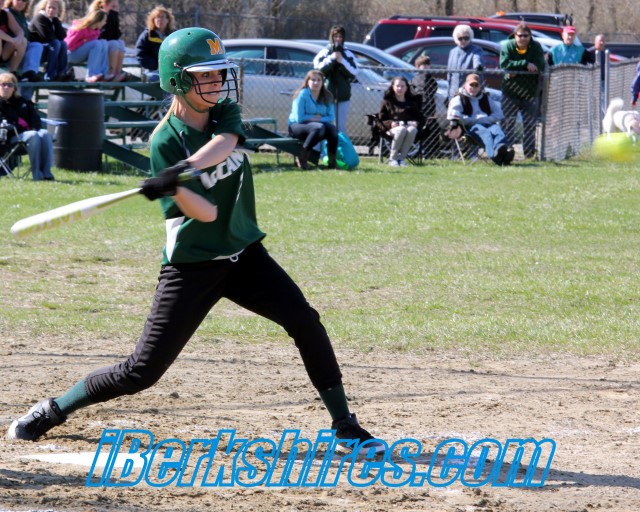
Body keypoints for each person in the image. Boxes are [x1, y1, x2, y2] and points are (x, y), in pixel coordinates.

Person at [7, 27, 385, 456]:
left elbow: (225, 144)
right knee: (141, 372)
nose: (216, 81)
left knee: (305, 321)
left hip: (245, 253)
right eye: (204, 75)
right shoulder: (165, 141)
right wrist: (171, 186)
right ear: (177, 80)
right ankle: (54, 409)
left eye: (218, 72)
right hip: (193, 266)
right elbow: (206, 213)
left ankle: (344, 425)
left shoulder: (223, 112)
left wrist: (183, 170)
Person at [447, 73, 515, 166]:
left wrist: (486, 119)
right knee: (486, 134)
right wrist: (474, 120)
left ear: (480, 87)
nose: (474, 88)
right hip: (470, 127)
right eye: (471, 85)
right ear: (465, 85)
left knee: (498, 131)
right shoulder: (459, 98)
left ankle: (502, 153)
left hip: (488, 124)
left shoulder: (485, 97)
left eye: (476, 85)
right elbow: (453, 115)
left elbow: (499, 114)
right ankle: (496, 156)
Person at [499, 22, 545, 159]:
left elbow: (540, 65)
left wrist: (516, 70)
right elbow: (504, 64)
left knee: (530, 125)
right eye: (520, 36)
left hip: (529, 94)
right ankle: (506, 152)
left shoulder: (536, 47)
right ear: (515, 35)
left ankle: (529, 154)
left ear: (530, 36)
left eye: (526, 36)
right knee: (508, 123)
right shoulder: (508, 46)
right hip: (510, 93)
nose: (523, 38)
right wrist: (525, 64)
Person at [0, 72, 54, 180]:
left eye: (10, 85)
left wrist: (35, 128)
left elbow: (35, 118)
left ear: (14, 88)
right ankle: (37, 174)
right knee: (33, 135)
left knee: (45, 133)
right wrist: (24, 129)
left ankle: (47, 174)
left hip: (27, 135)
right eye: (3, 84)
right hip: (9, 138)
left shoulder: (22, 101)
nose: (6, 87)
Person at [287, 69, 338, 170]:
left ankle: (332, 162)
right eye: (313, 80)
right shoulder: (302, 94)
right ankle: (302, 158)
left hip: (317, 125)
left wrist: (319, 119)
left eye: (319, 80)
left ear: (322, 82)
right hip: (296, 126)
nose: (316, 82)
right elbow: (299, 118)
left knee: (332, 129)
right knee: (318, 127)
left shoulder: (328, 96)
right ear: (307, 81)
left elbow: (331, 117)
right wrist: (314, 118)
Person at [313, 25, 359, 135]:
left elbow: (354, 72)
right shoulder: (325, 52)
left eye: (340, 36)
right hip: (327, 95)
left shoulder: (347, 53)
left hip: (343, 97)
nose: (338, 39)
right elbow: (318, 69)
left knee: (341, 127)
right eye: (335, 36)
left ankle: (339, 145)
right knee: (326, 124)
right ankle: (325, 146)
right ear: (331, 37)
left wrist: (342, 60)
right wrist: (332, 58)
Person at [378, 75, 423, 167]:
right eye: (397, 86)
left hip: (408, 128)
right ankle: (393, 159)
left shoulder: (412, 103)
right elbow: (380, 120)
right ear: (393, 87)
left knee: (412, 130)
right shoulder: (387, 102)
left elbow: (420, 118)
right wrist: (391, 123)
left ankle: (401, 159)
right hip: (391, 130)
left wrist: (416, 123)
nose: (400, 88)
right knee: (401, 129)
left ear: (406, 88)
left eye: (402, 86)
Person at [29, 0, 69, 81]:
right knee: (56, 43)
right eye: (49, 7)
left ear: (58, 10)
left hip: (49, 49)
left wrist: (56, 21)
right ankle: (50, 75)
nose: (51, 10)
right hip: (36, 50)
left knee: (63, 43)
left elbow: (62, 36)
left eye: (54, 8)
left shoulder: (53, 20)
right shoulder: (40, 18)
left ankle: (61, 74)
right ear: (44, 7)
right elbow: (48, 37)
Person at [64, 9, 109, 82]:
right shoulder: (81, 29)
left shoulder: (96, 31)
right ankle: (91, 75)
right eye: (104, 20)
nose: (105, 23)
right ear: (98, 20)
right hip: (69, 55)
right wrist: (83, 41)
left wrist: (86, 42)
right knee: (96, 43)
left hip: (80, 55)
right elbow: (67, 45)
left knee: (104, 43)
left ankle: (104, 74)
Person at [4, 0, 43, 83]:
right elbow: (17, 32)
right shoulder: (6, 12)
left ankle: (29, 74)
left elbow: (24, 33)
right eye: (18, 0)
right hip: (7, 53)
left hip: (20, 52)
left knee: (37, 45)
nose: (21, 2)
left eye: (24, 0)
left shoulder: (22, 15)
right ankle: (13, 72)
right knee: (23, 41)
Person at [88, 0, 126, 81]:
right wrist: (112, 17)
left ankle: (117, 73)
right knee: (114, 44)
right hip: (95, 44)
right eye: (113, 6)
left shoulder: (112, 15)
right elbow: (103, 35)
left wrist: (114, 17)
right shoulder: (98, 15)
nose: (116, 9)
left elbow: (116, 35)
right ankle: (110, 73)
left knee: (120, 43)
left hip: (104, 43)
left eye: (117, 6)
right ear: (105, 5)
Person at [135, 5, 174, 83]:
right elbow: (140, 54)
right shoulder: (147, 35)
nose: (159, 19)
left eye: (162, 17)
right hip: (152, 71)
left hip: (170, 71)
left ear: (168, 20)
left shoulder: (173, 36)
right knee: (155, 79)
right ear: (153, 20)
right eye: (157, 17)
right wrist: (156, 65)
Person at [410, 55, 439, 158]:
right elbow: (420, 92)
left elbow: (433, 89)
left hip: (430, 109)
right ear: (418, 67)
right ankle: (424, 150)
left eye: (427, 65)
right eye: (423, 65)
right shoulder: (419, 78)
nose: (426, 67)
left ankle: (429, 150)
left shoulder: (430, 78)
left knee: (432, 128)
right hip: (422, 108)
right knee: (425, 128)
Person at [447, 24, 484, 100]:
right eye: (460, 38)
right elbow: (449, 75)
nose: (463, 41)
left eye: (466, 38)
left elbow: (477, 60)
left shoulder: (476, 50)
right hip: (453, 93)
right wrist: (449, 93)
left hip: (469, 93)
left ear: (470, 37)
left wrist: (478, 66)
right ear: (456, 39)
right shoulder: (453, 52)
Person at [0, 8, 27, 74]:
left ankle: (13, 73)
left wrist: (19, 39)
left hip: (4, 52)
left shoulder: (6, 13)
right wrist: (12, 40)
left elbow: (19, 30)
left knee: (23, 41)